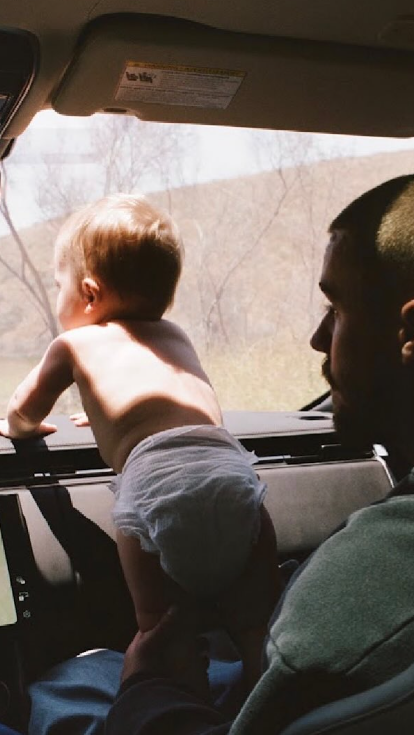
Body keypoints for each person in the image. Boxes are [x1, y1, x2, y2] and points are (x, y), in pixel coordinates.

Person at [29, 169, 414, 735]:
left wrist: (147, 690)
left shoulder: (363, 586)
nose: (317, 339)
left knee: (63, 688)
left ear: (411, 333)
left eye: (336, 310)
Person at [0, 194, 269, 637]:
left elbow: (23, 408)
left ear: (89, 294)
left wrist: (18, 429)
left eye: (58, 285)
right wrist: (109, 417)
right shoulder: (176, 336)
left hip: (154, 483)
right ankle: (261, 671)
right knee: (256, 617)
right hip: (233, 473)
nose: (57, 294)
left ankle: (163, 663)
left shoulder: (74, 345)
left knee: (157, 624)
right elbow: (158, 406)